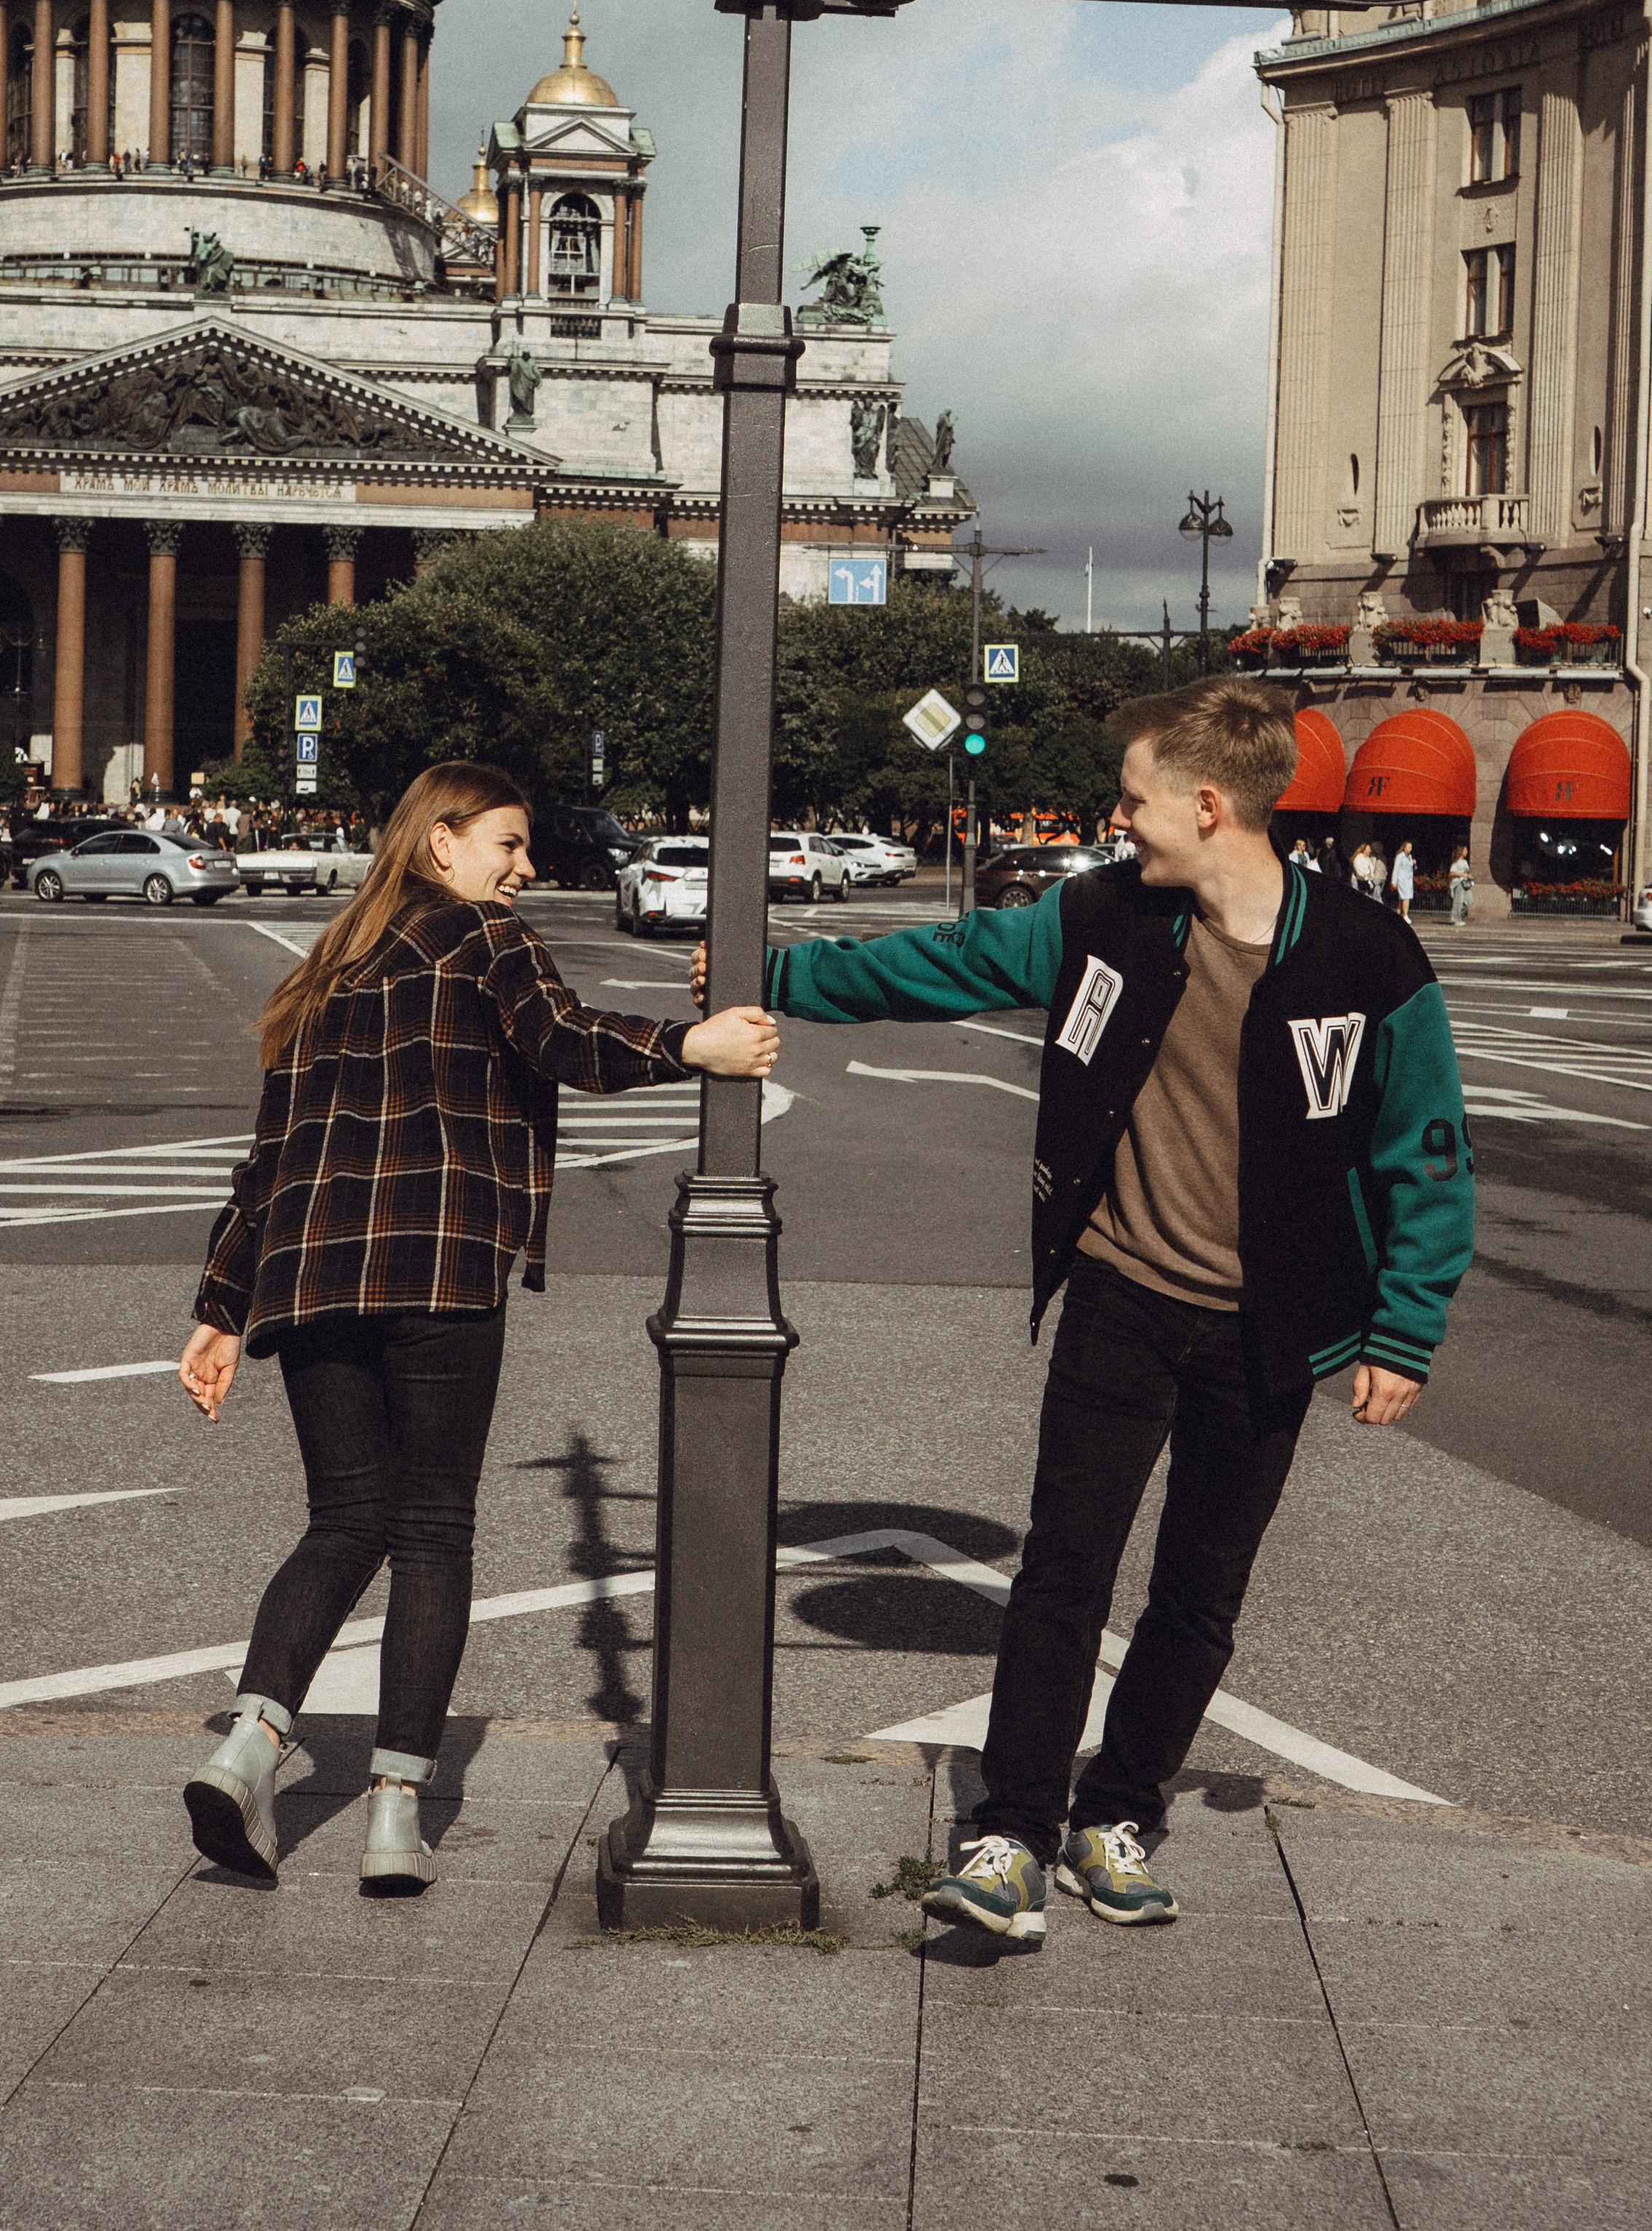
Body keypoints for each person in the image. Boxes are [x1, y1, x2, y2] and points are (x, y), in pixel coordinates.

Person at [707, 678, 1472, 1944]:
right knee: (1064, 1573)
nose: (1117, 819)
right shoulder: (1106, 913)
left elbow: (1427, 1151)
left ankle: (1116, 1814)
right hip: (1122, 1296)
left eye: (1132, 798)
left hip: (1268, 1331)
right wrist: (779, 975)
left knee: (1201, 1596)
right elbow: (948, 963)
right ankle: (1009, 1833)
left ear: (1209, 805)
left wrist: (1405, 1328)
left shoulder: (1366, 955)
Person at [175, 761, 779, 1895]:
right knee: (432, 1530)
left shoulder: (324, 969)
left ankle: (249, 1744)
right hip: (441, 1263)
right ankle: (395, 1818)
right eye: (508, 843)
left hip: (312, 1277)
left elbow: (267, 1159)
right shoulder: (486, 937)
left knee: (341, 1522)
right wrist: (689, 1047)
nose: (526, 867)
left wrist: (220, 1306)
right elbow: (563, 1040)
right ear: (440, 842)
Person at [1390, 839, 1416, 923]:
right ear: (1404, 848)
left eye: (1411, 847)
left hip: (1408, 881)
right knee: (1406, 897)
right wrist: (1394, 882)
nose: (1410, 849)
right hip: (1402, 880)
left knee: (1402, 899)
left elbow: (1411, 869)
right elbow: (1396, 869)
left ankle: (1397, 916)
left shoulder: (1410, 857)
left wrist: (1414, 863)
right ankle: (1405, 915)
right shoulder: (1400, 857)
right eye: (1408, 847)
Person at [1448, 844, 1474, 927]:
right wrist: (1462, 875)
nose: (1467, 852)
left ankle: (1457, 916)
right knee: (1458, 902)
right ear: (1461, 851)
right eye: (1465, 850)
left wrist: (1470, 877)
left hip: (1465, 884)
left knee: (1469, 901)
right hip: (1458, 883)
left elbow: (1467, 872)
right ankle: (1456, 920)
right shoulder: (1456, 862)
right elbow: (1452, 873)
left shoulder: (1465, 862)